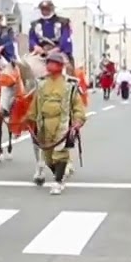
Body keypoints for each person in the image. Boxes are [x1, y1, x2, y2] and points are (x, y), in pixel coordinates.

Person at [24, 52, 87, 196]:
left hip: (62, 123)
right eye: (48, 62)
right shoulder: (41, 84)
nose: (48, 65)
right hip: (44, 123)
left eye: (52, 63)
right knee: (48, 156)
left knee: (60, 153)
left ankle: (58, 182)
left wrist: (77, 120)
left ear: (60, 66)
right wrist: (29, 119)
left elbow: (77, 106)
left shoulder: (69, 85)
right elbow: (35, 104)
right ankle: (59, 174)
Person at [28, 0, 74, 70]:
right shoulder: (35, 24)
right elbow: (32, 38)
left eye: (47, 9)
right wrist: (36, 46)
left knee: (66, 66)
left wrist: (54, 50)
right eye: (43, 9)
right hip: (41, 51)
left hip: (58, 51)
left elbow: (65, 39)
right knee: (26, 64)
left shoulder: (63, 22)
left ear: (52, 9)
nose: (44, 11)